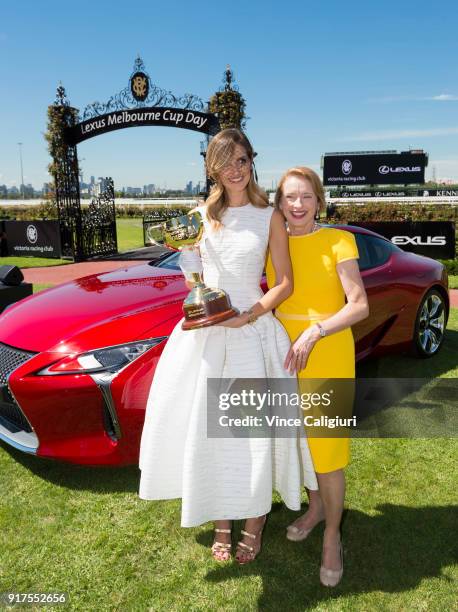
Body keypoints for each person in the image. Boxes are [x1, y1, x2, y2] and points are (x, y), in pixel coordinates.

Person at [139, 130, 318, 564]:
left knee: (254, 435)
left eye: (242, 160)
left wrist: (250, 314)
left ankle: (253, 525)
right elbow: (194, 274)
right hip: (208, 334)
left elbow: (285, 284)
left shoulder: (269, 215)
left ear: (251, 162)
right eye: (226, 162)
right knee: (213, 435)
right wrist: (189, 266)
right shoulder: (200, 215)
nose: (235, 170)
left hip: (254, 334)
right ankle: (222, 522)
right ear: (212, 168)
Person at [266, 167, 369, 586]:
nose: (298, 205)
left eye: (306, 196)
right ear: (279, 203)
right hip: (279, 355)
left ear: (319, 201)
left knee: (326, 451)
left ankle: (331, 535)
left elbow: (359, 304)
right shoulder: (275, 244)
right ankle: (317, 508)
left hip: (326, 353)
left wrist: (315, 329)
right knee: (298, 441)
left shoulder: (338, 240)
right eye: (290, 197)